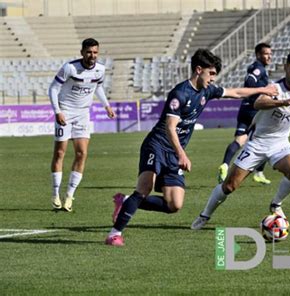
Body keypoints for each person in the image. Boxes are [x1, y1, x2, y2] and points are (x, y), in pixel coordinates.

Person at [105, 49, 278, 246]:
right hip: (157, 146)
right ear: (198, 70)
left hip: (174, 152)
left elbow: (236, 92)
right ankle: (114, 234)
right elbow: (170, 127)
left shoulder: (207, 91)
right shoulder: (180, 93)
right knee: (144, 187)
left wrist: (262, 90)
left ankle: (126, 201)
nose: (213, 78)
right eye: (211, 73)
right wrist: (182, 154)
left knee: (174, 205)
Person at [191, 51, 290, 230]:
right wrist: (283, 102)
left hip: (281, 144)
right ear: (286, 68)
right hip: (257, 144)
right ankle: (204, 215)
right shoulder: (275, 89)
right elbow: (258, 103)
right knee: (229, 186)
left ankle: (276, 205)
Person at [48, 38, 115, 212]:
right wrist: (57, 111)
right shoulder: (70, 68)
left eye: (95, 52)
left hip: (83, 114)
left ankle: (69, 196)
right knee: (60, 152)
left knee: (82, 153)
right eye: (89, 52)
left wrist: (106, 105)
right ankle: (55, 193)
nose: (92, 55)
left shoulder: (100, 69)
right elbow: (53, 89)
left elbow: (98, 87)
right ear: (82, 52)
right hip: (65, 112)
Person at [217, 43, 273, 185]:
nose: (269, 56)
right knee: (266, 139)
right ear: (258, 55)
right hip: (254, 110)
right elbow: (250, 81)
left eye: (270, 53)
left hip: (245, 108)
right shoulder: (258, 68)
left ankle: (225, 164)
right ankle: (258, 172)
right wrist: (263, 90)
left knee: (240, 140)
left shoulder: (256, 67)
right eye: (266, 53)